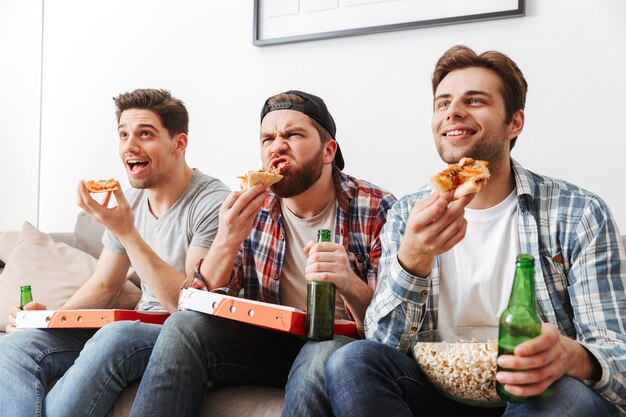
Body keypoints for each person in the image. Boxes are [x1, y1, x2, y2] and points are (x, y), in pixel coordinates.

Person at [325, 45, 626, 417]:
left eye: (475, 100)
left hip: (533, 390)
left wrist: (570, 356)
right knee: (351, 361)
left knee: (567, 396)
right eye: (442, 103)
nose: (453, 111)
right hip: (437, 389)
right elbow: (384, 344)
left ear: (514, 123)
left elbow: (618, 360)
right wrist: (413, 259)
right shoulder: (406, 215)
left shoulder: (578, 212)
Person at [129, 90, 397, 417]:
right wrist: (227, 239)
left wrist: (349, 282)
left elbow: (390, 331)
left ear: (328, 151)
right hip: (269, 343)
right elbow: (193, 305)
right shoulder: (253, 204)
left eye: (293, 134)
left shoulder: (376, 207)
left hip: (338, 343)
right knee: (182, 328)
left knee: (318, 358)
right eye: (267, 138)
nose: (277, 145)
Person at [0, 88, 230, 417]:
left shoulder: (212, 203)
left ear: (179, 144)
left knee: (117, 334)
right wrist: (50, 321)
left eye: (145, 134)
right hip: (133, 324)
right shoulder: (133, 199)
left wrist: (127, 231)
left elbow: (188, 306)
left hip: (177, 335)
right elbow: (105, 285)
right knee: (14, 346)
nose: (129, 147)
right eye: (123, 135)